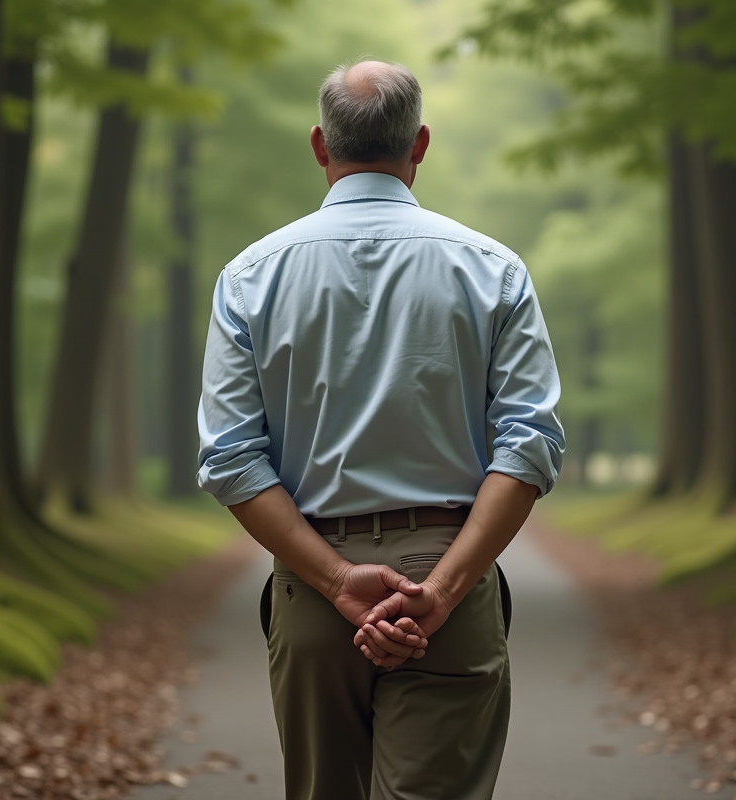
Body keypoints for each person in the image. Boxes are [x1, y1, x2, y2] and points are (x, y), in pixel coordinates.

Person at [196, 58, 565, 800]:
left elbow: (231, 460)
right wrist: (446, 587)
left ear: (319, 146)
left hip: (313, 582)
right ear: (419, 144)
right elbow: (529, 442)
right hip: (449, 576)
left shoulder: (250, 277)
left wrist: (337, 582)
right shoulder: (493, 270)